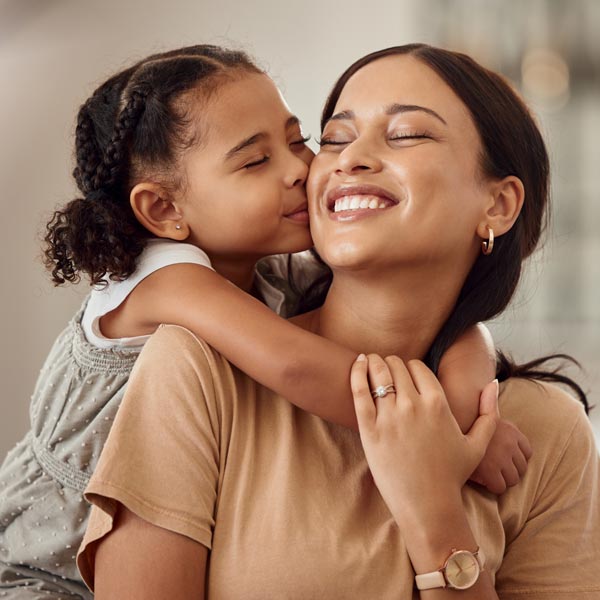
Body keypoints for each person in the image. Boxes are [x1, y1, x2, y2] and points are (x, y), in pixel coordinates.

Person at [77, 43, 600, 598]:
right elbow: (293, 363)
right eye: (334, 139)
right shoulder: (197, 364)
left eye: (406, 134)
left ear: (498, 205)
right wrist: (441, 424)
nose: (347, 159)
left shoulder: (548, 433)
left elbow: (465, 328)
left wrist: (435, 517)